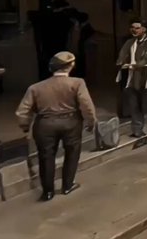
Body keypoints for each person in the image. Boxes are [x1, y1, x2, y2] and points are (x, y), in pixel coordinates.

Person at [16, 51, 96, 201]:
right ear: (71, 65)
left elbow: (22, 111)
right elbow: (87, 105)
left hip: (44, 124)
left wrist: (25, 126)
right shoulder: (77, 83)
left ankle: (47, 192)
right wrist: (91, 122)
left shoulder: (35, 87)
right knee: (72, 153)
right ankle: (67, 185)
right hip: (71, 122)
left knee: (46, 157)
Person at [114, 19, 147, 139]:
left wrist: (135, 65)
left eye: (137, 28)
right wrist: (121, 62)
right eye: (132, 27)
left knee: (143, 104)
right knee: (133, 104)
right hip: (131, 78)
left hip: (144, 77)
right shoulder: (130, 42)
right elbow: (122, 56)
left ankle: (139, 126)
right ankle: (137, 129)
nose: (134, 30)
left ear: (144, 29)